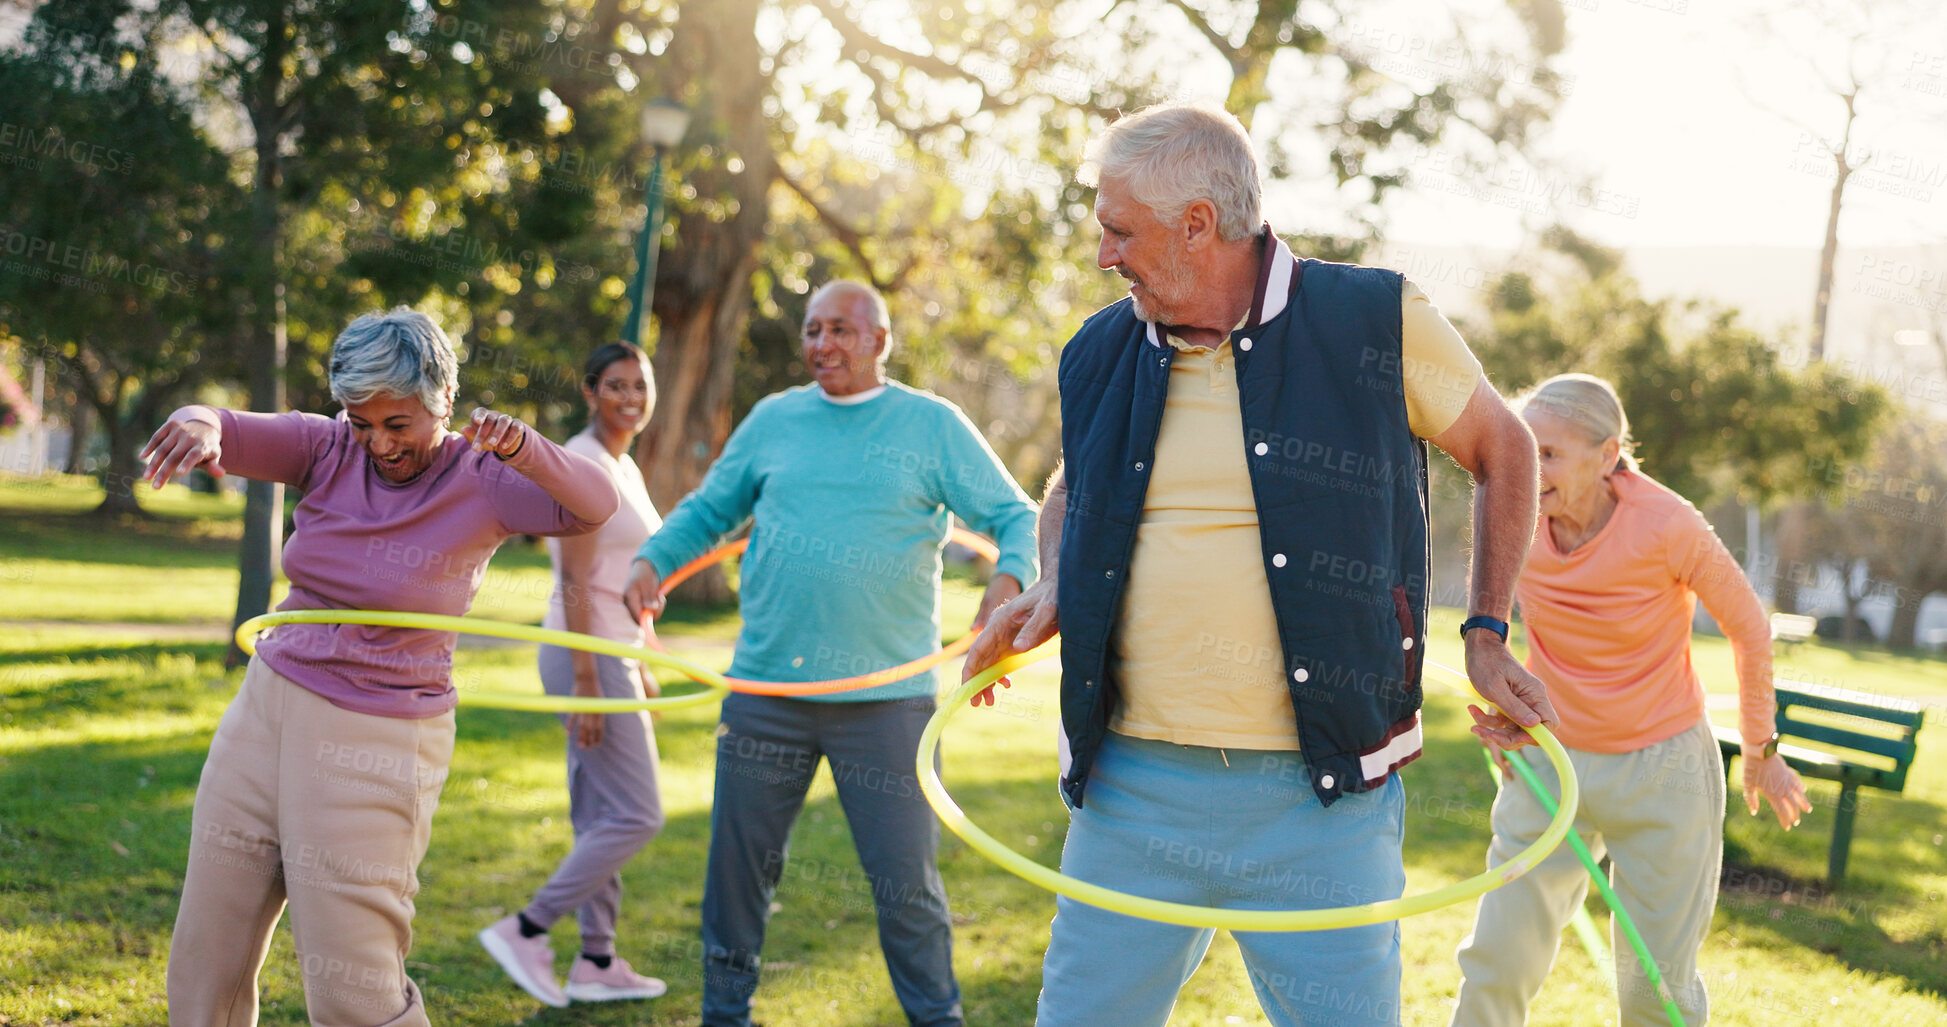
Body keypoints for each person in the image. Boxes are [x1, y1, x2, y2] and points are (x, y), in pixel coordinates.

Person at [960, 102, 1557, 1027]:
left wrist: (1485, 633)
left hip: (1319, 799)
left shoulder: (1376, 319)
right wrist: (1053, 578)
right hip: (1130, 792)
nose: (1103, 255)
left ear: (1197, 225)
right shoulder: (1101, 347)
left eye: (1119, 231)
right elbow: (1075, 488)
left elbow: (1503, 448)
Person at [143, 308, 619, 1026]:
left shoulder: (484, 476)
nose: (378, 444)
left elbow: (593, 504)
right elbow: (223, 423)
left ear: (443, 402)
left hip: (378, 734)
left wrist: (523, 445)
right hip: (265, 707)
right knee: (205, 962)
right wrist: (202, 426)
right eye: (362, 422)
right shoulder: (327, 447)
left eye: (398, 424)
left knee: (353, 992)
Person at [621, 279, 1039, 1027]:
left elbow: (1015, 515)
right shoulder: (773, 418)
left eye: (841, 330)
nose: (822, 344)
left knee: (905, 886)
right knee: (735, 877)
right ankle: (724, 1014)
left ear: (880, 340)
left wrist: (1002, 594)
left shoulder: (929, 424)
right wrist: (652, 561)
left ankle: (936, 1018)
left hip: (887, 705)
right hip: (765, 696)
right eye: (813, 330)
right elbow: (714, 508)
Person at [1448, 373, 1811, 1027]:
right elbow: (1501, 633)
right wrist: (1514, 712)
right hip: (1551, 761)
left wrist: (1760, 748)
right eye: (1524, 450)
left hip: (1662, 768)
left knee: (1653, 989)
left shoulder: (1666, 523)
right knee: (1496, 961)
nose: (1531, 467)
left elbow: (1749, 627)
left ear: (1607, 454)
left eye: (1549, 453)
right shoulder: (1514, 514)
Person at [478, 342, 670, 1006]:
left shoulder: (624, 464)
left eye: (640, 385)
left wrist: (644, 648)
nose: (631, 398)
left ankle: (596, 959)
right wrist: (590, 680)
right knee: (639, 813)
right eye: (615, 386)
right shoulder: (583, 461)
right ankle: (526, 927)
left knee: (600, 813)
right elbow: (575, 583)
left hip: (614, 650)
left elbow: (626, 575)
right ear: (590, 391)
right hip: (583, 650)